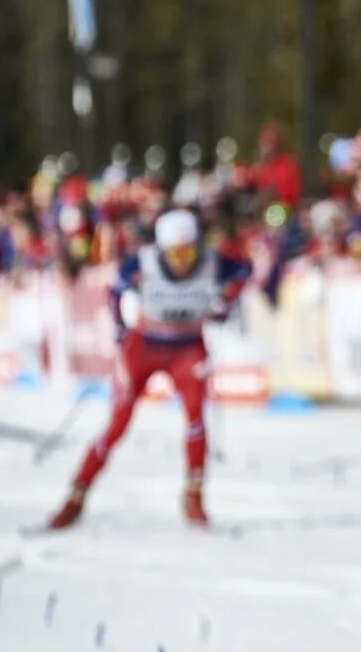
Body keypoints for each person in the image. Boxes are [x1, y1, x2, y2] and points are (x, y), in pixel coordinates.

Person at [47, 209, 251, 529]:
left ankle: (194, 495)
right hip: (145, 346)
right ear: (161, 250)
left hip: (187, 346)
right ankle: (76, 494)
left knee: (196, 417)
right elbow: (114, 291)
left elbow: (243, 270)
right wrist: (119, 330)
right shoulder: (143, 263)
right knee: (117, 424)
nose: (183, 261)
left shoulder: (212, 261)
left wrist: (226, 301)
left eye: (189, 251)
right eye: (175, 253)